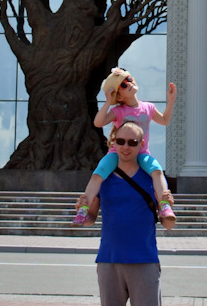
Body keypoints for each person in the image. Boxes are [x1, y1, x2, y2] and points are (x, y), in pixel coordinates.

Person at [89, 118, 168, 306]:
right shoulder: (105, 174)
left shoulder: (151, 174)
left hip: (144, 261)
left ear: (141, 145)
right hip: (109, 260)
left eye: (132, 143)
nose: (125, 148)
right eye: (120, 142)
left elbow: (165, 208)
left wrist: (168, 204)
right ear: (113, 142)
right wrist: (84, 207)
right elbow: (93, 213)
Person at [73, 68, 177, 228]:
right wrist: (108, 102)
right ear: (118, 96)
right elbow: (98, 123)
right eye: (123, 84)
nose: (128, 83)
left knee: (156, 170)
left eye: (128, 79)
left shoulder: (148, 107)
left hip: (141, 153)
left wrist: (170, 101)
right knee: (98, 174)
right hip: (117, 153)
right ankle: (83, 209)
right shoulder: (118, 110)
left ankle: (164, 205)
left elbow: (164, 120)